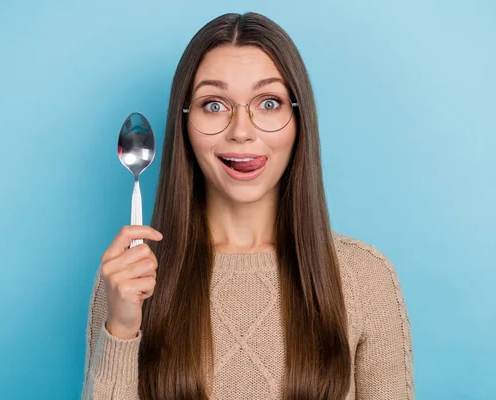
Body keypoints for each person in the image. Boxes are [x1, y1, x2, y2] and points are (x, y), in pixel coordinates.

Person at [82, 12, 414, 400]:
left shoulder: (365, 278)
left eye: (269, 102)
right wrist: (122, 330)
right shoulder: (130, 277)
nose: (241, 131)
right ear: (184, 124)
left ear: (298, 119)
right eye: (214, 105)